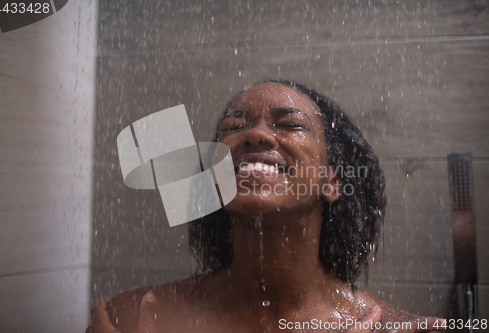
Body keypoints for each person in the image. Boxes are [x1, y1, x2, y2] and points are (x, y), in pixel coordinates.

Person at [87, 80, 445, 333]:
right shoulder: (129, 318)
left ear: (332, 181)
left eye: (290, 124)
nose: (255, 135)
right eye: (234, 126)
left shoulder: (396, 330)